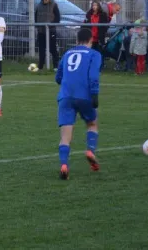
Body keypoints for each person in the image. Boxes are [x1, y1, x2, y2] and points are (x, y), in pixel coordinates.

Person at [55, 28, 102, 180]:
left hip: (65, 96)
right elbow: (93, 75)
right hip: (84, 95)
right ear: (91, 40)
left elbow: (58, 77)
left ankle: (64, 164)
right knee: (92, 124)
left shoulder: (67, 54)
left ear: (76, 40)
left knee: (65, 134)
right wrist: (94, 93)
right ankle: (90, 151)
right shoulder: (94, 54)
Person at [35, 0, 61, 70]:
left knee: (53, 49)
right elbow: (36, 17)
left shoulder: (54, 4)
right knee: (41, 50)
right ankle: (40, 67)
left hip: (51, 31)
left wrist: (51, 25)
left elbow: (58, 18)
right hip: (41, 31)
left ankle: (56, 66)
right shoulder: (39, 5)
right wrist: (37, 26)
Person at [84, 1, 108, 70]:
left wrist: (103, 32)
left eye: (96, 5)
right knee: (90, 52)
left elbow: (106, 25)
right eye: (93, 5)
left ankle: (100, 66)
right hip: (91, 37)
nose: (94, 7)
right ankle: (90, 66)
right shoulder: (89, 14)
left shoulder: (103, 15)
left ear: (98, 6)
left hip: (99, 37)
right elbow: (85, 24)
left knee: (99, 52)